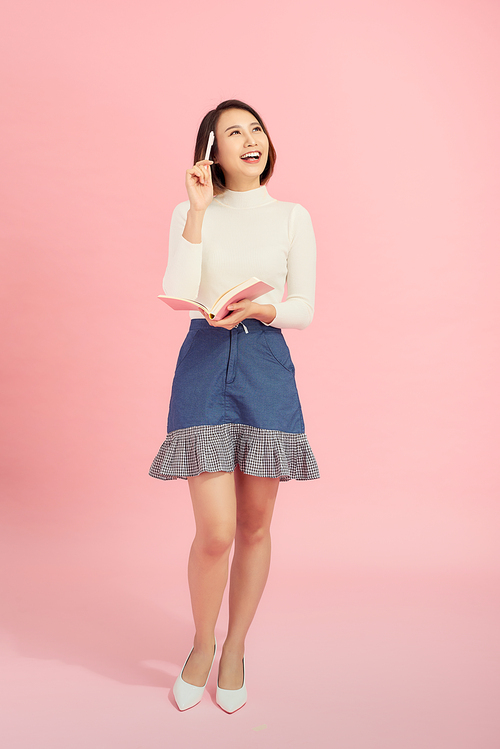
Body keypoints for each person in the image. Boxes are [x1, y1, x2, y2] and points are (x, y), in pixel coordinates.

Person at [149, 99, 319, 713]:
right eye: (233, 133)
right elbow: (178, 287)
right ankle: (201, 643)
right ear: (210, 153)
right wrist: (196, 214)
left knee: (254, 525)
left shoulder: (293, 217)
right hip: (202, 362)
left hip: (265, 365)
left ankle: (236, 647)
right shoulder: (189, 211)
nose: (251, 140)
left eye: (256, 129)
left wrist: (262, 308)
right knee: (216, 531)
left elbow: (303, 304)